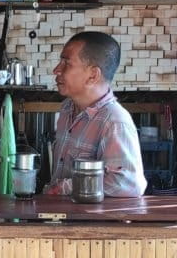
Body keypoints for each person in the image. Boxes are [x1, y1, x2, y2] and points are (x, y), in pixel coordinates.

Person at [43, 31, 147, 197]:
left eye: (66, 63)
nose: (56, 70)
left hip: (89, 222)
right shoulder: (67, 108)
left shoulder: (114, 121)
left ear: (93, 75)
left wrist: (66, 188)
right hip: (62, 217)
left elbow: (128, 184)